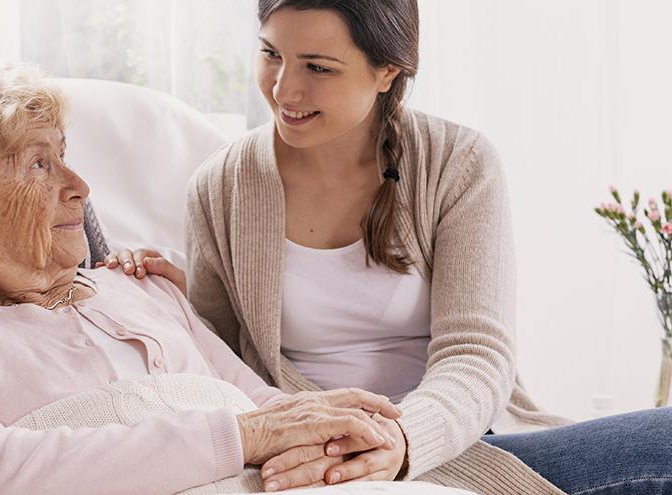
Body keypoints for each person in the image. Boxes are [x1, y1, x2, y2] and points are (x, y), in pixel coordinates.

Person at [104, 1, 672, 494]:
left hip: (453, 437)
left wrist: (401, 440)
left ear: (387, 72)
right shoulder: (219, 185)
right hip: (308, 454)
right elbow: (221, 365)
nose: (284, 89)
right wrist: (169, 305)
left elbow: (477, 352)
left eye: (318, 67)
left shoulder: (459, 163)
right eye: (272, 54)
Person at [0, 64, 409, 495]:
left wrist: (341, 434)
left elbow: (263, 406)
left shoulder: (149, 286)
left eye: (64, 157)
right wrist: (241, 437)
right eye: (38, 165)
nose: (80, 186)